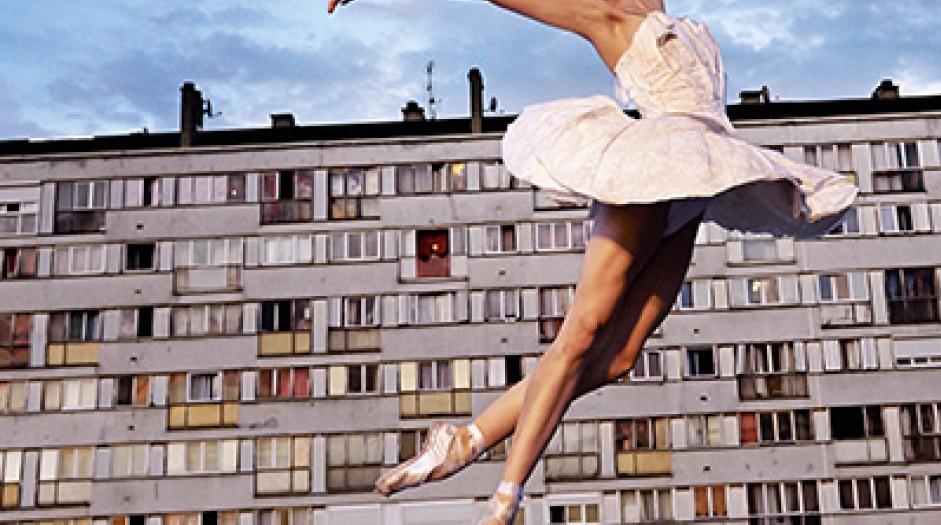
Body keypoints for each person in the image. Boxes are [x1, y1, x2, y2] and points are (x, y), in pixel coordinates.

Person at [328, 1, 858, 523]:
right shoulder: (609, 17)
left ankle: (466, 439)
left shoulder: (664, 13)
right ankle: (502, 501)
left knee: (622, 355)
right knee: (581, 334)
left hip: (699, 173)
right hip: (655, 166)